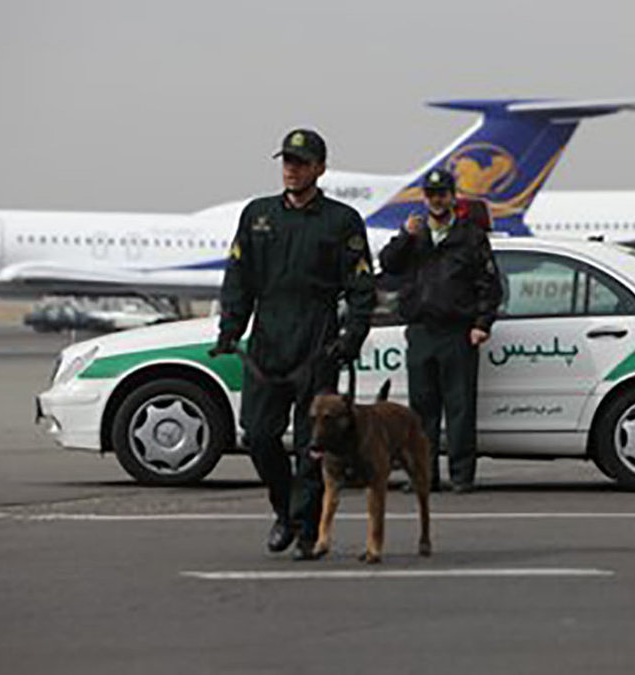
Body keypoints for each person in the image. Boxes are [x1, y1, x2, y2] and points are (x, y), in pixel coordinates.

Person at [212, 128, 376, 560]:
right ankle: (283, 510)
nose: (291, 169)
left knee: (311, 445)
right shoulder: (257, 215)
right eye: (286, 161)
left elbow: (362, 288)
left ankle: (306, 528)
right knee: (259, 436)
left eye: (301, 163)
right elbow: (239, 279)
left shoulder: (341, 221)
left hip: (316, 341)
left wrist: (351, 337)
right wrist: (230, 327)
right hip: (268, 340)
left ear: (319, 168)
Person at [378, 169, 502, 493]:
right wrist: (405, 235)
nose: (436, 199)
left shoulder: (470, 236)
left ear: (452, 196)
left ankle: (462, 476)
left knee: (460, 407)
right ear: (424, 197)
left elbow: (490, 286)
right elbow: (388, 264)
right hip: (421, 331)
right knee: (422, 410)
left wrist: (481, 324)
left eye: (442, 194)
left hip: (457, 332)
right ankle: (424, 475)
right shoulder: (415, 236)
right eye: (431, 194)